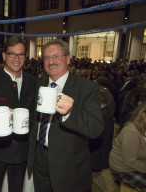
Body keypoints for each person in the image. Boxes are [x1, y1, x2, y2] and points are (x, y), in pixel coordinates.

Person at [27, 39, 104, 192]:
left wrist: (70, 113)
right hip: (39, 159)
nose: (51, 62)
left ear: (68, 59)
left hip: (69, 165)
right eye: (47, 58)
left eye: (56, 56)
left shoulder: (87, 88)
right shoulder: (40, 85)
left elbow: (96, 128)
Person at [0, 36, 37, 192]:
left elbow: (35, 115)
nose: (17, 59)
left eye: (21, 54)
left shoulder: (33, 82)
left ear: (25, 57)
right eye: (12, 54)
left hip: (22, 151)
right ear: (4, 56)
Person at [109, 102, 146, 192]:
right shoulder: (131, 132)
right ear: (144, 115)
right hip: (123, 169)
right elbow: (130, 162)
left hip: (137, 164)